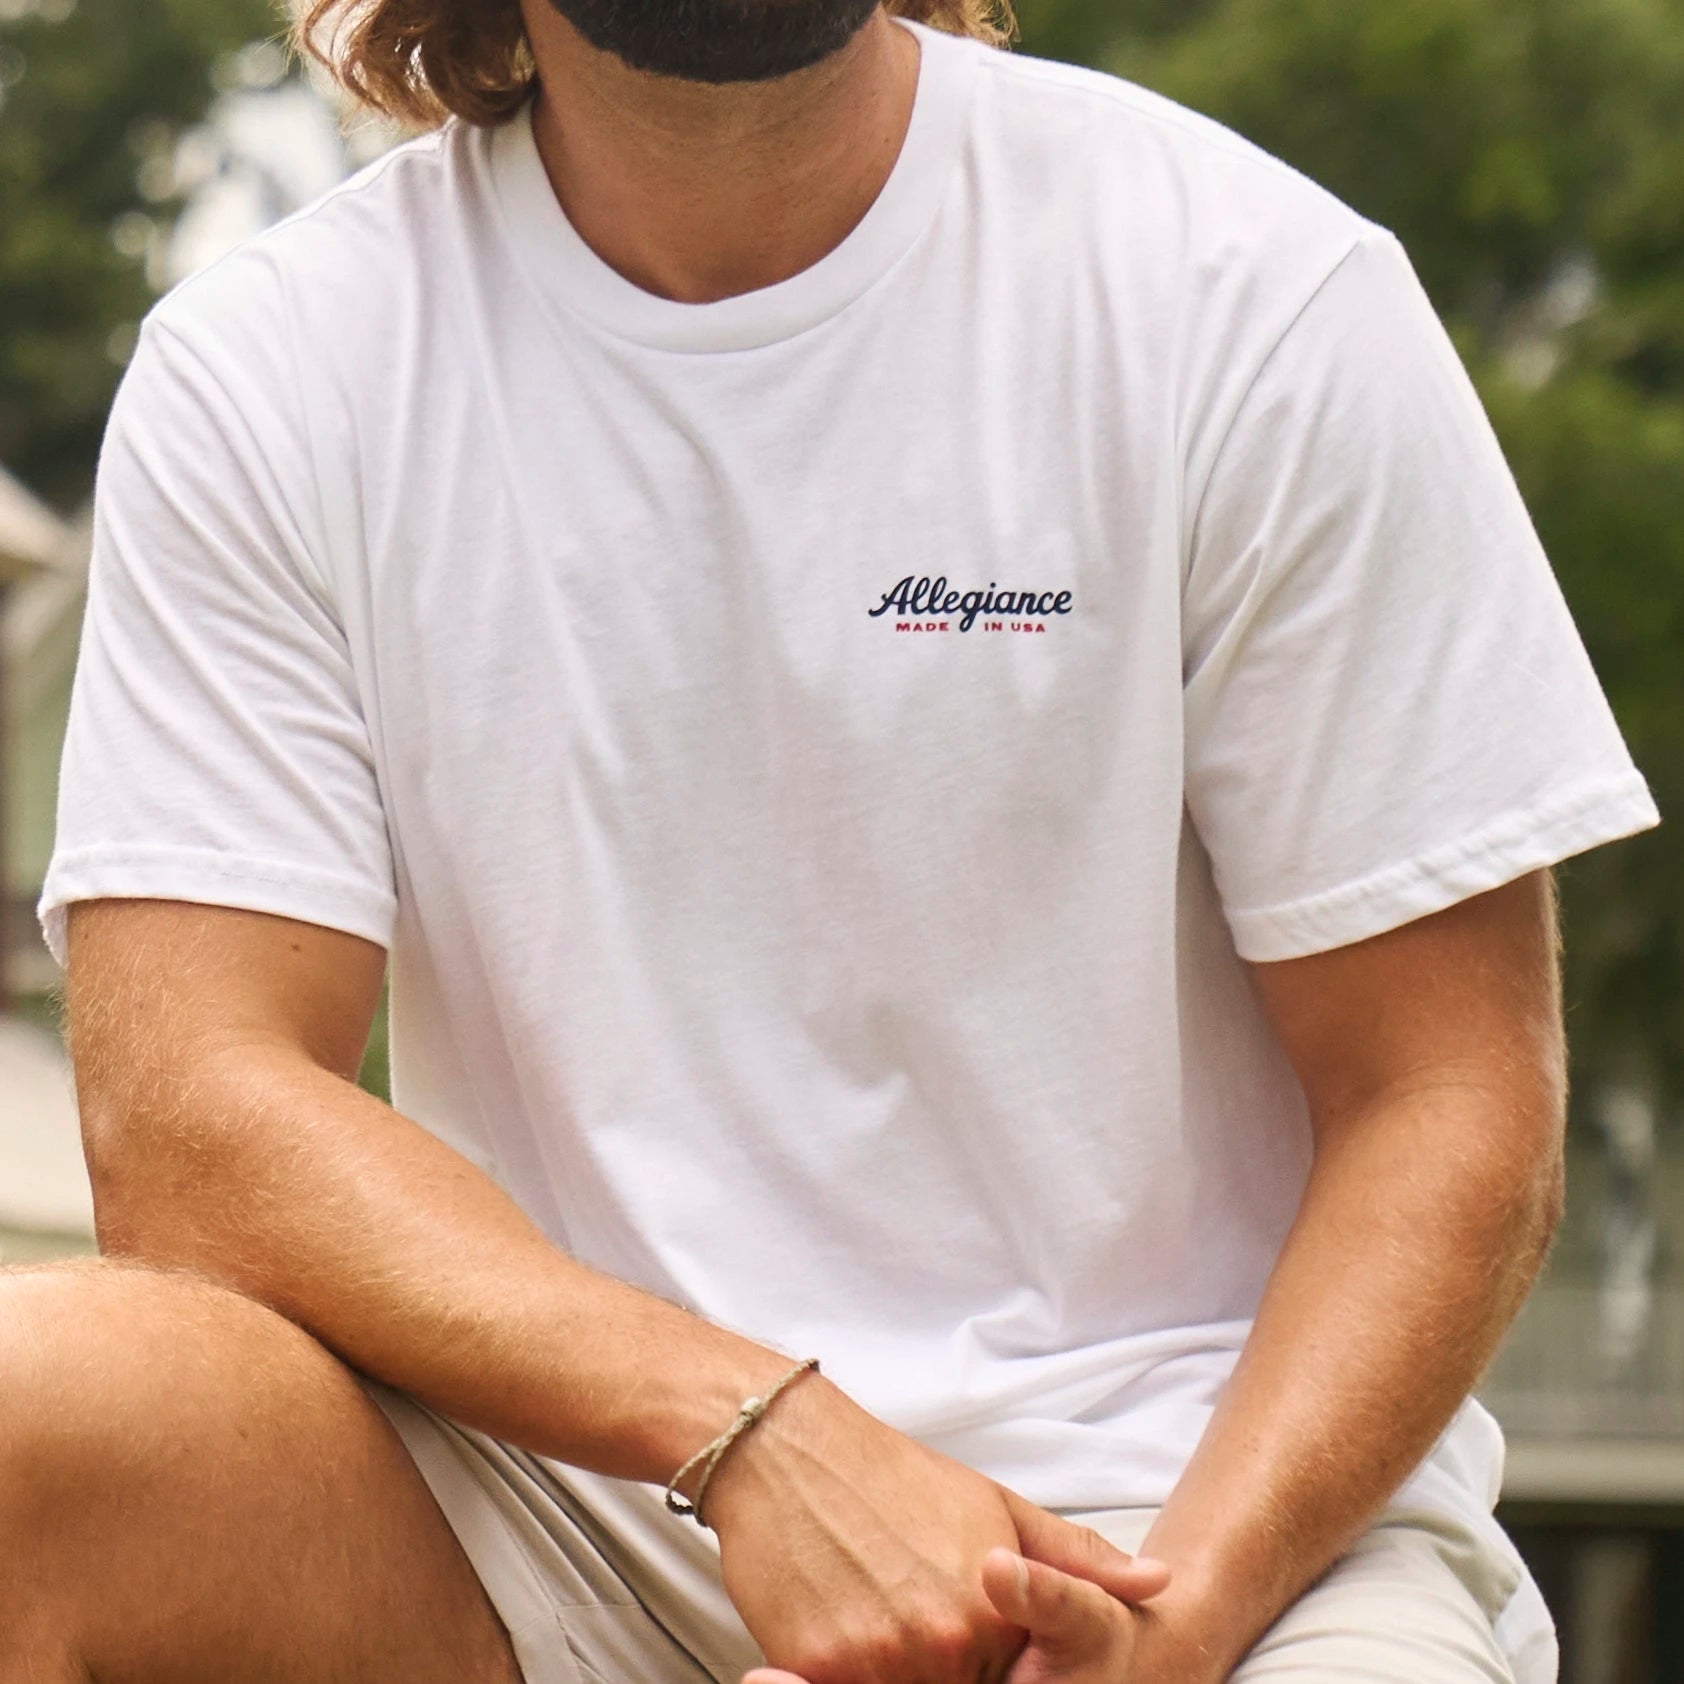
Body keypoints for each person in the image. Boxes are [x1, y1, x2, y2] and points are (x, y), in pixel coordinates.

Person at [10, 0, 1659, 1679]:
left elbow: (1445, 1096)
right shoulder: (277, 366)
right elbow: (190, 1119)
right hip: (561, 1507)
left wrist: (1171, 1624)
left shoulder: (1248, 291)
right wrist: (750, 1429)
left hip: (1202, 1539)